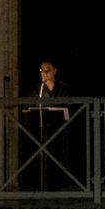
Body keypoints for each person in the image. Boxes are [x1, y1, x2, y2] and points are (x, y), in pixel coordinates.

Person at [20, 61, 75, 190]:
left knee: (59, 156)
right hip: (41, 130)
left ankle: (59, 184)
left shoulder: (64, 88)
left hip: (59, 130)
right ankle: (39, 184)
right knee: (40, 155)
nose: (44, 73)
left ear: (55, 70)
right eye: (42, 70)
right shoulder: (36, 89)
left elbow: (70, 107)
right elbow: (31, 107)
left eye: (47, 70)